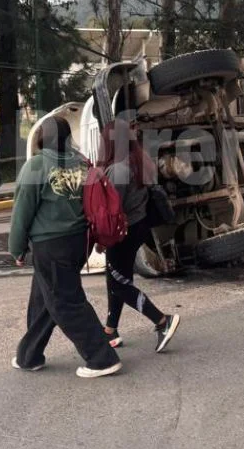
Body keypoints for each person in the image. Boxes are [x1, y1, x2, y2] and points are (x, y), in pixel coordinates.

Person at [10, 116, 122, 378]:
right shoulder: (81, 161)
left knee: (66, 302)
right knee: (45, 298)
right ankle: (30, 356)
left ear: (41, 137)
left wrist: (17, 248)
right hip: (79, 242)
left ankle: (102, 358)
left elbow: (22, 212)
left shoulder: (37, 165)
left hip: (51, 244)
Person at [98, 119, 180, 353]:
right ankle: (110, 331)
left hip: (122, 233)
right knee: (117, 279)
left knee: (119, 284)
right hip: (138, 227)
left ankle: (163, 320)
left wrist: (103, 240)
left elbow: (112, 210)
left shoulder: (118, 170)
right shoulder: (138, 161)